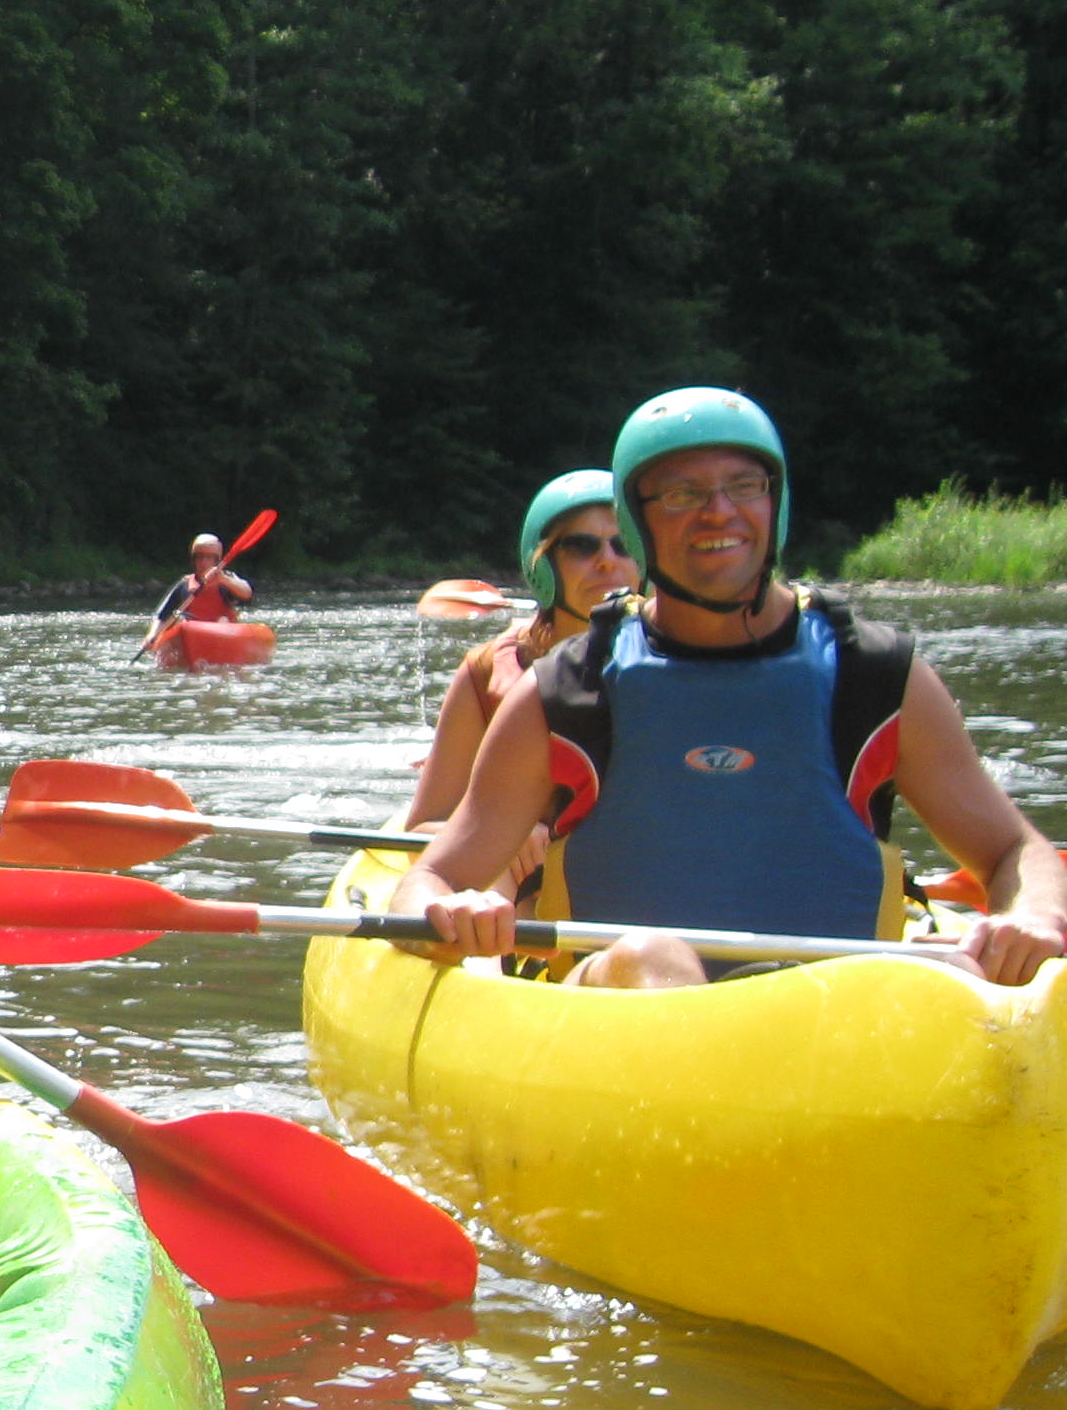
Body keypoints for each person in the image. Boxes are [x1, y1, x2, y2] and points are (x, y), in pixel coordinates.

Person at [392, 387, 1066, 988]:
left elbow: (1015, 851)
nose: (719, 513)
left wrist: (1034, 913)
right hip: (614, 1017)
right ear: (639, 521)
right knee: (655, 958)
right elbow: (429, 877)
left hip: (839, 1026)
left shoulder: (876, 677)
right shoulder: (566, 693)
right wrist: (449, 910)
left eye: (744, 487)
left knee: (932, 975)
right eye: (683, 494)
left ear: (776, 503)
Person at [401, 469, 639, 833]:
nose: (607, 561)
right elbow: (426, 824)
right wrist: (506, 836)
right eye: (581, 546)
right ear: (544, 564)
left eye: (624, 546)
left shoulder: (671, 660)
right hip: (515, 879)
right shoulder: (486, 671)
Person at [149, 532, 253, 639]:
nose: (203, 562)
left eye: (209, 557)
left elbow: (247, 593)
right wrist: (152, 636)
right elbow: (162, 616)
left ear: (216, 560)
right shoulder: (185, 584)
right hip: (193, 635)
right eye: (200, 557)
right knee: (182, 621)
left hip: (223, 633)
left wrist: (224, 579)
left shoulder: (227, 579)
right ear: (194, 560)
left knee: (223, 620)